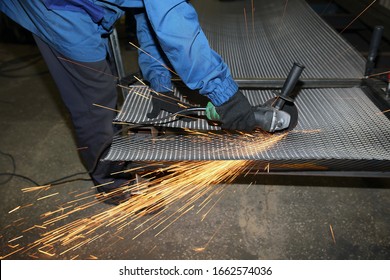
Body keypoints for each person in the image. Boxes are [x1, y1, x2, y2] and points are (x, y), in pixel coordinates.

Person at [0, 0, 256, 203]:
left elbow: (150, 16)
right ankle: (110, 181)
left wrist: (160, 84)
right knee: (94, 96)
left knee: (103, 77)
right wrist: (226, 96)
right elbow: (173, 21)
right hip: (57, 7)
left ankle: (117, 159)